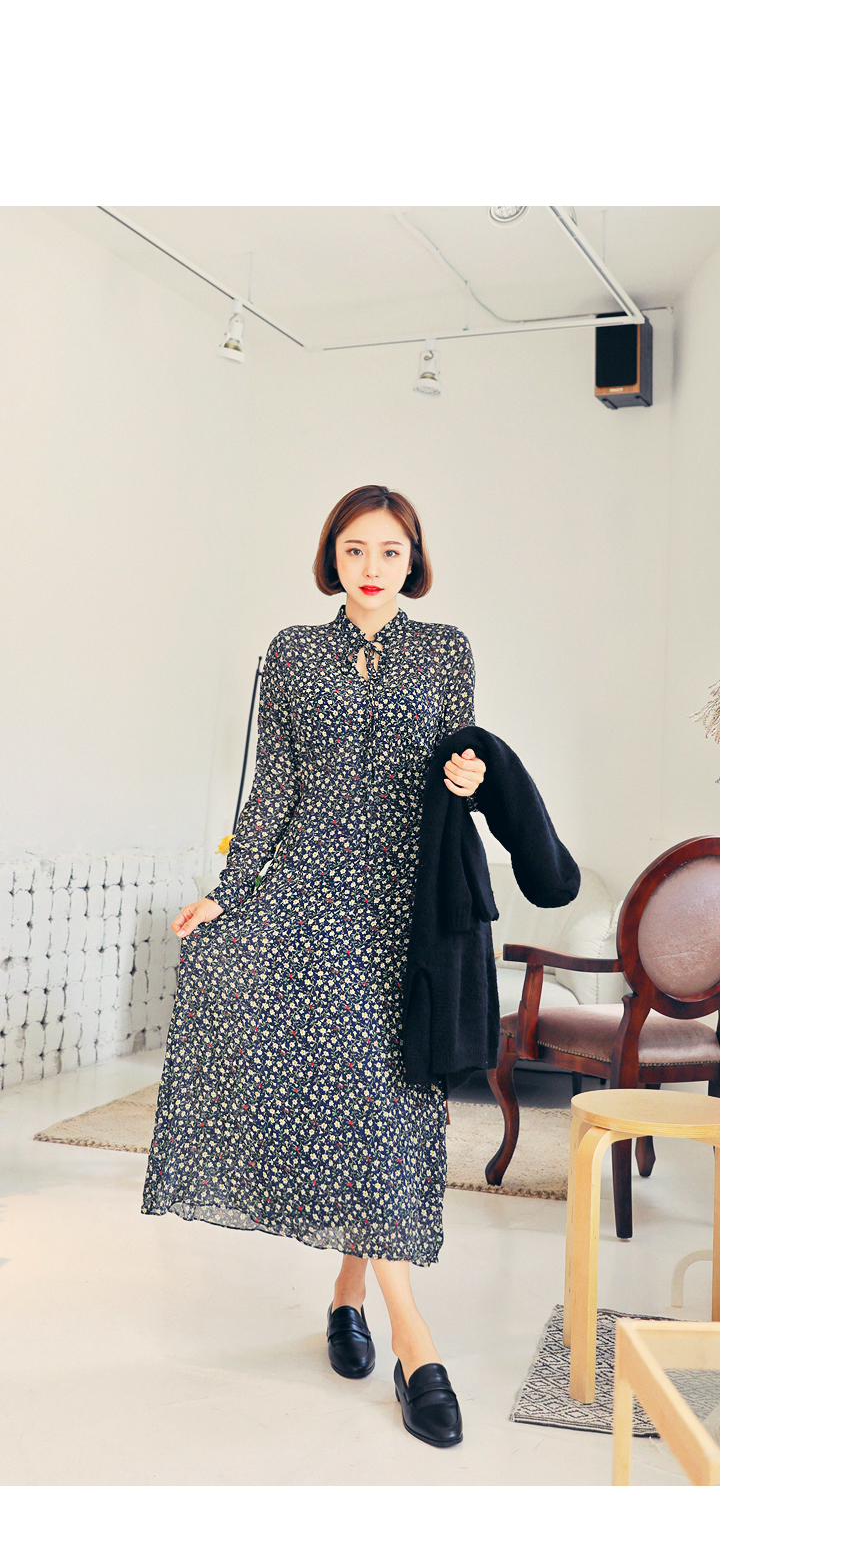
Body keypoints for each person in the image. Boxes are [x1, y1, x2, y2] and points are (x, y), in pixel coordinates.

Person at [141, 485, 486, 1449]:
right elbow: (274, 787)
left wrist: (469, 777)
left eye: (390, 550)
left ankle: (346, 1292)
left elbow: (456, 772)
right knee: (353, 1099)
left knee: (385, 1100)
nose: (371, 567)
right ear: (331, 556)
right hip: (306, 896)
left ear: (413, 559)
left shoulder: (447, 649)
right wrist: (230, 892)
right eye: (354, 549)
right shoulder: (292, 652)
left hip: (402, 904)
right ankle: (415, 1341)